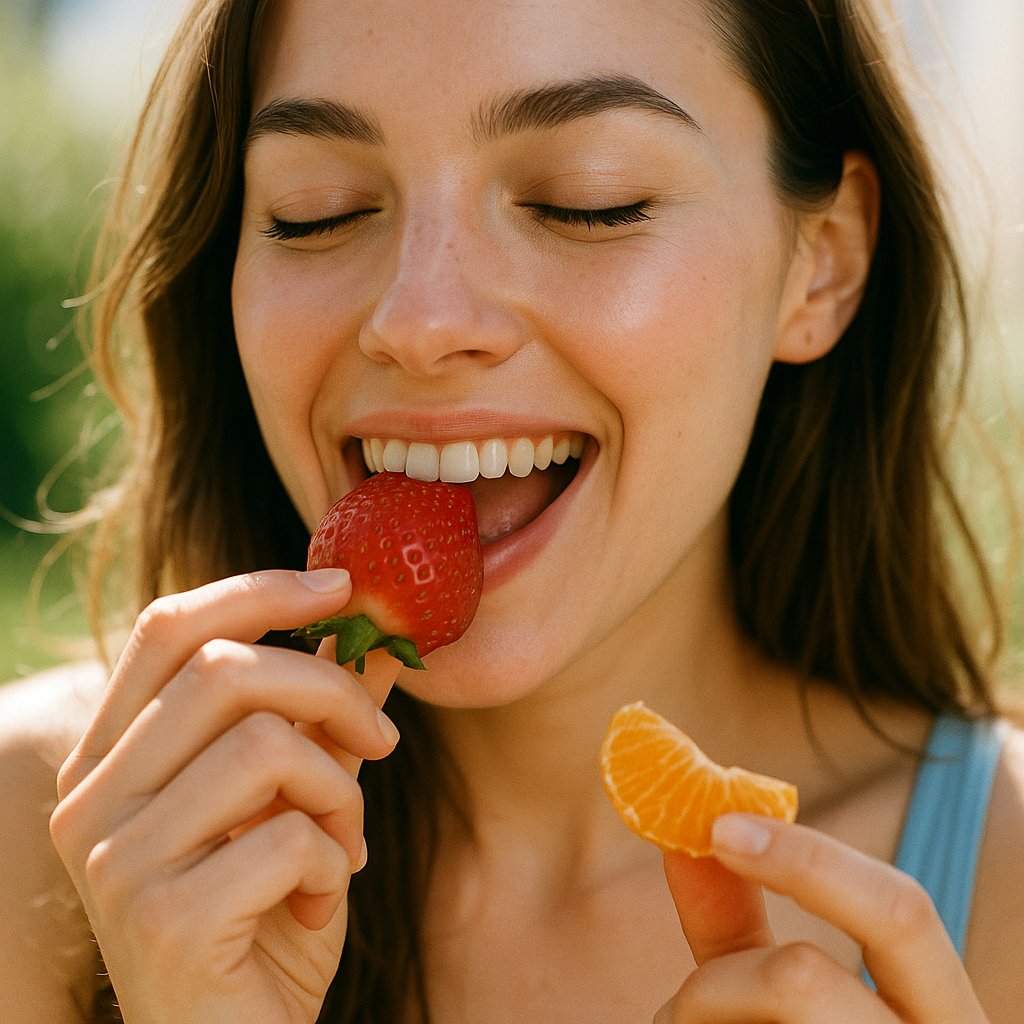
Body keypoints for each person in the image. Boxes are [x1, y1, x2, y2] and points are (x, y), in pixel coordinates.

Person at [2, 0, 1022, 1020]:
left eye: (590, 200)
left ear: (823, 261)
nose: (420, 319)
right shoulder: (32, 839)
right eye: (319, 209)